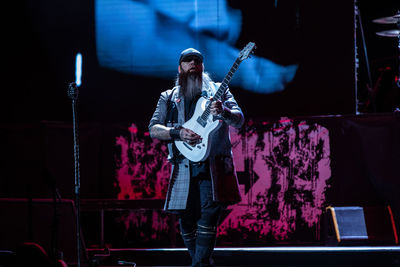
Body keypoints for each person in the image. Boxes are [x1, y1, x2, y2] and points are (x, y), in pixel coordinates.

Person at [148, 48, 244, 267]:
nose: (193, 63)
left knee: (208, 218)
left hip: (213, 167)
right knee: (186, 221)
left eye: (197, 60)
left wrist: (224, 112)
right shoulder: (169, 97)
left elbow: (239, 119)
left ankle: (199, 264)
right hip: (182, 165)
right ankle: (201, 263)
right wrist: (178, 132)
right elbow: (153, 129)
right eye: (188, 60)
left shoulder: (219, 90)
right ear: (179, 67)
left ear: (202, 66)